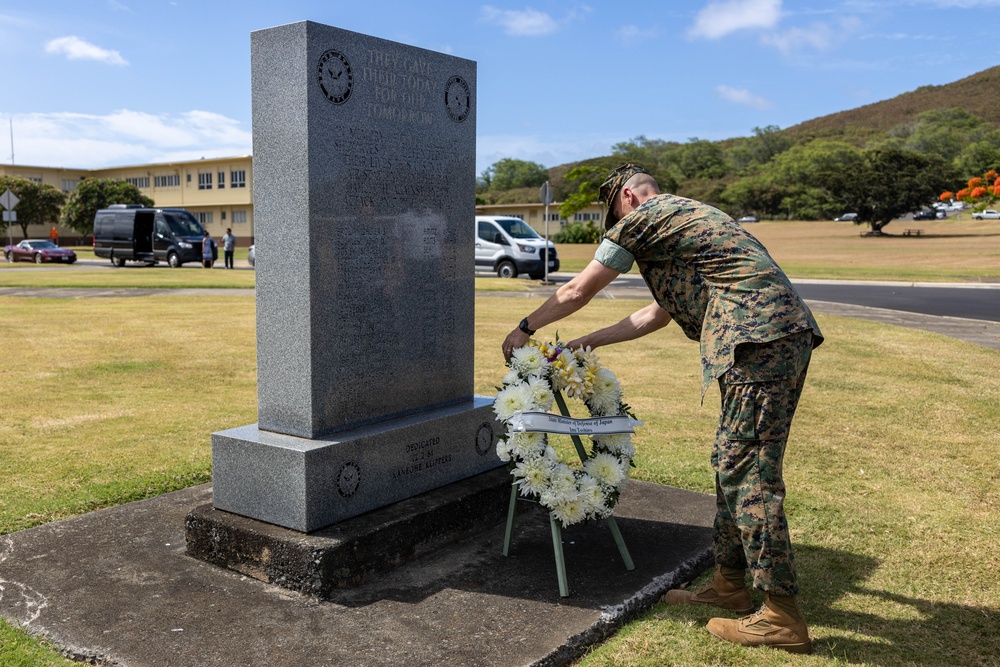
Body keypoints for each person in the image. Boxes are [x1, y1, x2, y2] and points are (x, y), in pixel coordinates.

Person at [502, 162, 823, 654]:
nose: (617, 229)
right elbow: (655, 314)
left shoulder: (643, 219)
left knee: (749, 472)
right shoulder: (691, 219)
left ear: (627, 200)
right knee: (730, 463)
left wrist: (525, 327)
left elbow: (575, 290)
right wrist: (586, 343)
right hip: (768, 338)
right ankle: (730, 583)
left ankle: (780, 613)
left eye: (612, 216)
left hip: (758, 342)